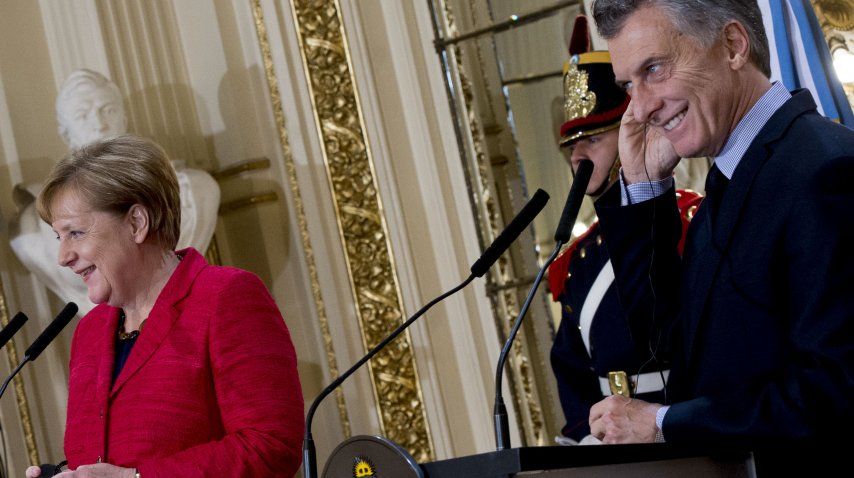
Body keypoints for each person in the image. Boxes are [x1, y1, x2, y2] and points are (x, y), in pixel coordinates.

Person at [586, 0, 854, 467]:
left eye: (655, 69)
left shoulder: (825, 171)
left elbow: (834, 389)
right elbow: (669, 347)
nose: (642, 107)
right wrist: (647, 190)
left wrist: (662, 423)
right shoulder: (730, 180)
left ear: (732, 45)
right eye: (629, 84)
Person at [25, 135, 303, 477]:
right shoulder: (91, 331)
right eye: (59, 237)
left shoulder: (226, 296)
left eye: (76, 233)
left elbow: (272, 447)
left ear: (136, 223)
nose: (63, 257)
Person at [548, 15, 701, 445]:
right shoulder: (575, 260)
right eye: (570, 145)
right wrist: (593, 438)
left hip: (684, 429)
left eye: (593, 139)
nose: (578, 154)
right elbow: (572, 372)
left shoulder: (690, 220)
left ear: (630, 133)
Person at [9, 69, 220, 315]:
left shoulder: (195, 192)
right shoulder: (34, 226)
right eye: (83, 116)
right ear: (65, 133)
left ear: (125, 117)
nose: (99, 124)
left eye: (108, 110)